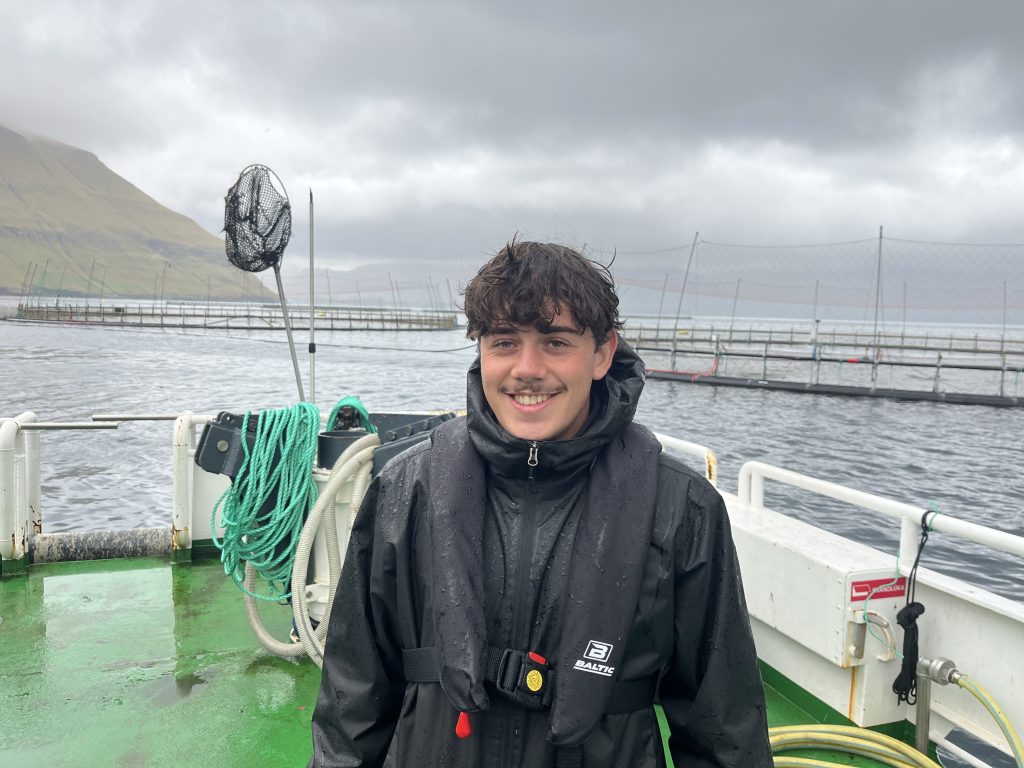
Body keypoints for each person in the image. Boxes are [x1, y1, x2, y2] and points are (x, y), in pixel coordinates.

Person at [309, 240, 772, 768]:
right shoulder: (405, 491)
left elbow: (723, 729)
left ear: (602, 354)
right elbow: (352, 705)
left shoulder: (682, 510)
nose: (527, 369)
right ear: (480, 350)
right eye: (504, 342)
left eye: (555, 342)